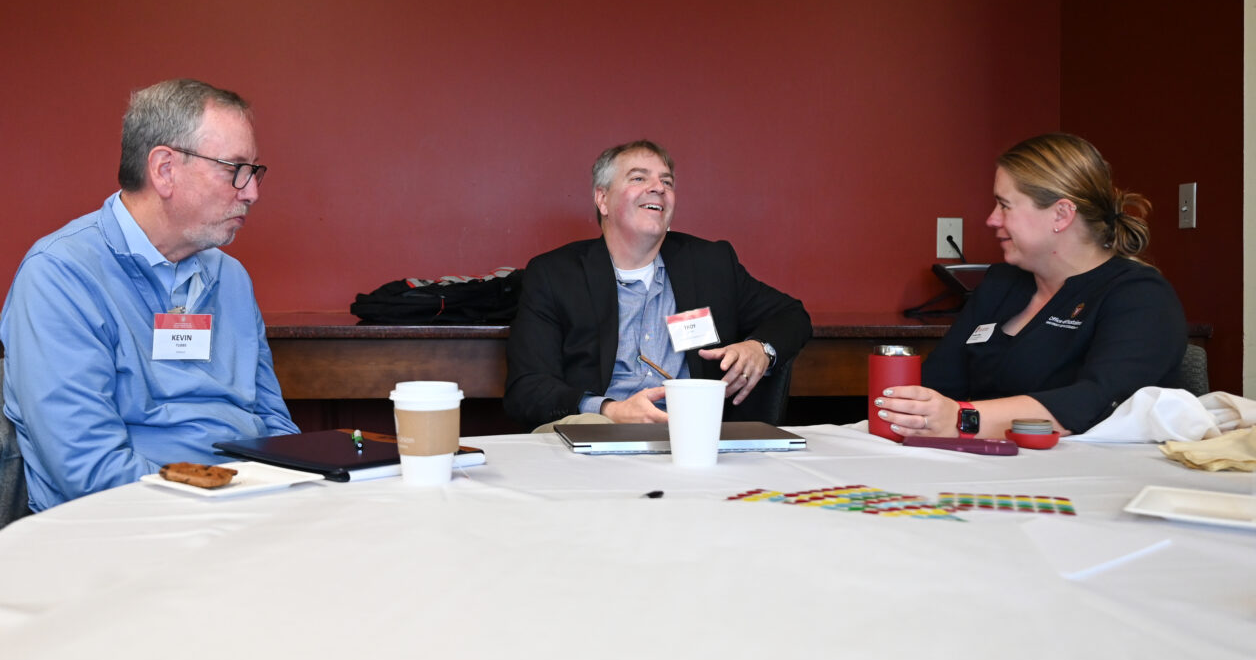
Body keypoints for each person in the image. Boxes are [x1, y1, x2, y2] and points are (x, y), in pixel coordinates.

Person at [0, 79, 298, 511]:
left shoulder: (231, 278)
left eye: (253, 171)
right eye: (234, 168)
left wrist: (295, 493)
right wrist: (222, 506)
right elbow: (89, 471)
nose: (251, 191)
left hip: (246, 511)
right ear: (164, 170)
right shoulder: (60, 275)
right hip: (133, 527)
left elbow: (274, 423)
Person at [878, 133, 1187, 440]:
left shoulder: (1140, 297)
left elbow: (1097, 402)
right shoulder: (1001, 284)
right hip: (983, 463)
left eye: (1004, 205)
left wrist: (962, 419)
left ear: (1060, 214)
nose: (991, 220)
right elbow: (939, 383)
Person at [504, 140, 811, 428]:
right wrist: (611, 410)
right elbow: (527, 389)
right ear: (603, 199)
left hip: (693, 436)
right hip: (598, 433)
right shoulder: (554, 275)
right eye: (639, 179)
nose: (658, 189)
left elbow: (792, 316)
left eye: (667, 182)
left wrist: (762, 349)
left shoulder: (710, 264)